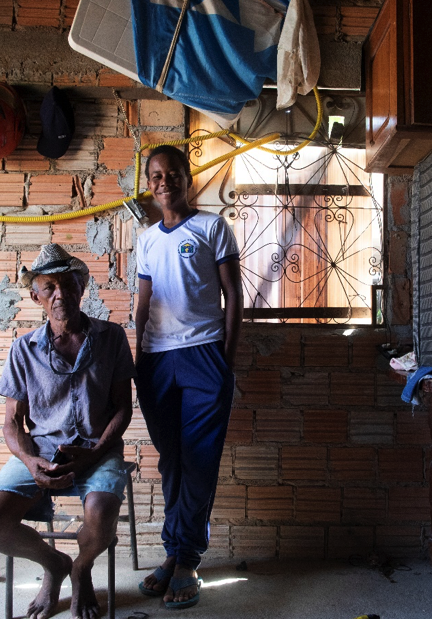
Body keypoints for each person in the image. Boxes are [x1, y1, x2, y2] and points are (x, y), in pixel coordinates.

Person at [0, 244, 135, 619]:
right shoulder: (23, 349)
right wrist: (31, 462)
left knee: (101, 512)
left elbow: (123, 410)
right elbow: (13, 423)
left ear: (82, 288)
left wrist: (93, 455)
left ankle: (81, 569)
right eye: (49, 287)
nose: (60, 294)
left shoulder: (111, 338)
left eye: (68, 284)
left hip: (98, 451)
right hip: (43, 453)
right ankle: (54, 564)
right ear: (36, 296)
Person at [134, 145, 243, 609]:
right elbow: (142, 301)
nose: (164, 182)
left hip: (203, 356)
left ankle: (187, 560)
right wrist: (136, 355)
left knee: (198, 461)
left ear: (187, 178)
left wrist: (227, 360)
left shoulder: (212, 227)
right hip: (156, 360)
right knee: (172, 462)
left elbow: (234, 297)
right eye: (156, 175)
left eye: (172, 173)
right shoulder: (145, 238)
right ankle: (174, 550)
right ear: (150, 182)